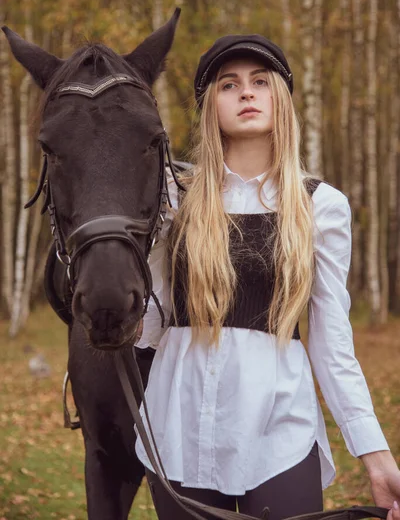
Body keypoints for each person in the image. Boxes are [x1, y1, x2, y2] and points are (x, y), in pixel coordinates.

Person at [134, 34, 400, 520]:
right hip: (178, 421)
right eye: (229, 85)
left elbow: (330, 338)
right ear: (210, 106)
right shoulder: (174, 199)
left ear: (281, 97)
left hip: (278, 423)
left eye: (260, 82)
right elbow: (150, 323)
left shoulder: (320, 205)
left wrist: (375, 454)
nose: (247, 93)